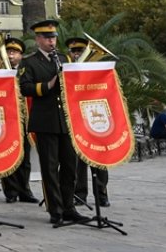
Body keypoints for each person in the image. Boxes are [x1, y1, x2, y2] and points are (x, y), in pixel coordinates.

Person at [18, 19, 83, 225]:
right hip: (45, 121)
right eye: (47, 38)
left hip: (65, 120)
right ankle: (55, 210)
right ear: (38, 39)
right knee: (50, 167)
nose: (51, 41)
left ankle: (69, 207)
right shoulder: (29, 62)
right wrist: (49, 84)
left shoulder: (63, 58)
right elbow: (25, 88)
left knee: (70, 166)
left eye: (53, 37)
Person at [67, 37, 108, 208]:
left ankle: (102, 194)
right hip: (76, 120)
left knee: (99, 160)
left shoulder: (98, 73)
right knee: (78, 163)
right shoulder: (67, 72)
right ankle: (80, 194)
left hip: (94, 120)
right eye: (74, 52)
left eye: (80, 51)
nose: (77, 55)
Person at [0, 37, 37, 203]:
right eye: (8, 52)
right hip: (6, 118)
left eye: (14, 52)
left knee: (24, 157)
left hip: (24, 117)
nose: (10, 55)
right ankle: (10, 191)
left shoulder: (26, 70)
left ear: (21, 55)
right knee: (7, 154)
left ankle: (24, 190)